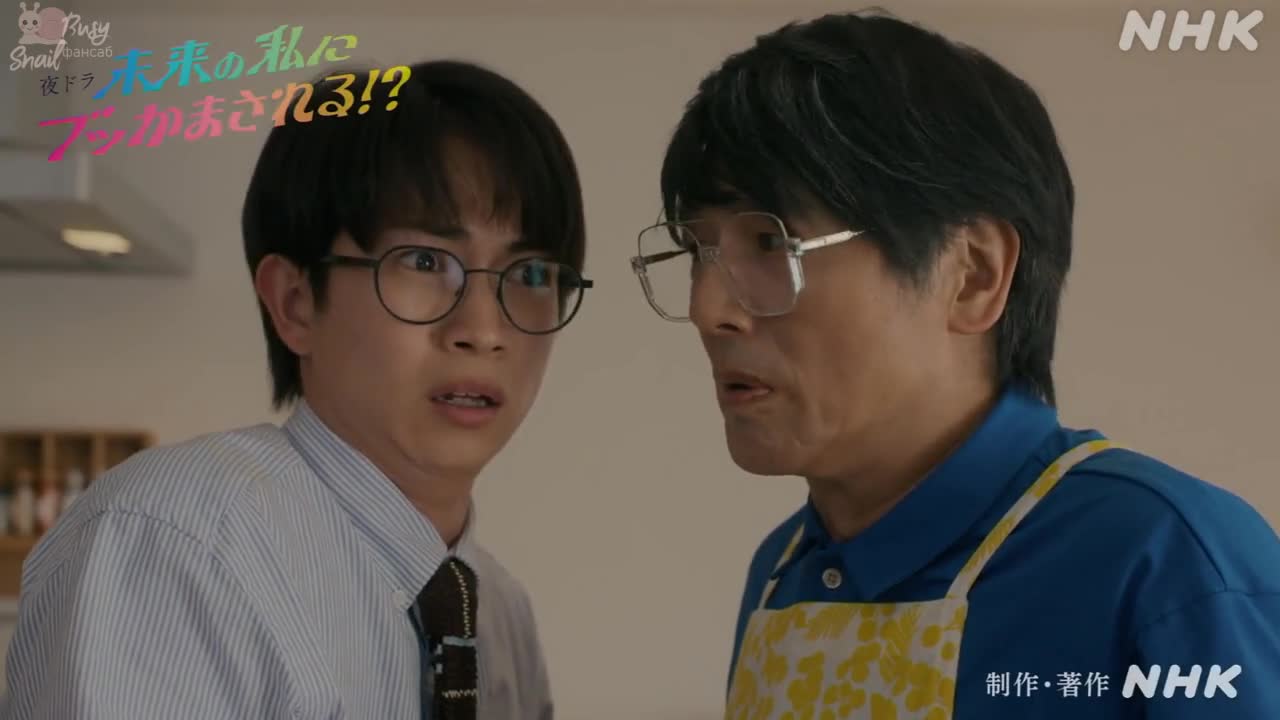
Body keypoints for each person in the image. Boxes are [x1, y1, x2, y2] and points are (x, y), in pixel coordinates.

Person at [629, 11, 1280, 720]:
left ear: (972, 274)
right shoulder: (779, 573)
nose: (708, 308)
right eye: (698, 251)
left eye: (769, 244)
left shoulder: (1165, 561)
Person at [2, 59, 592, 719]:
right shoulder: (176, 545)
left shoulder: (496, 614)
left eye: (531, 273)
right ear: (295, 302)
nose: (483, 331)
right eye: (425, 261)